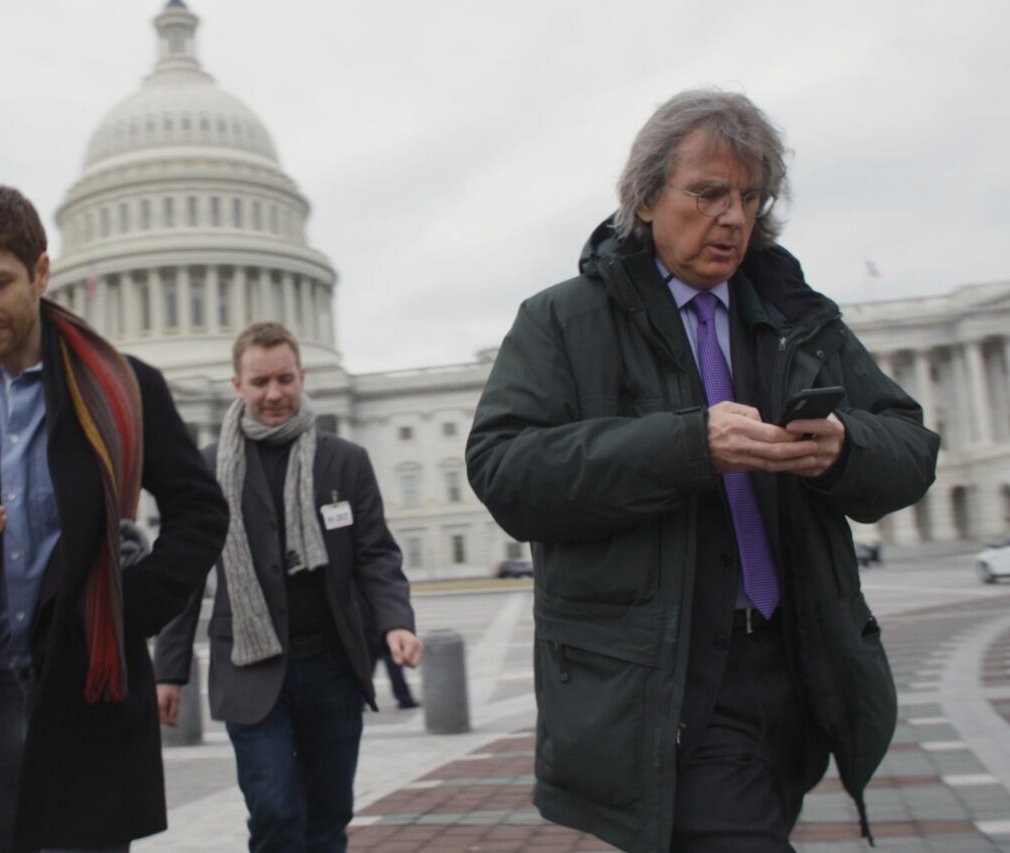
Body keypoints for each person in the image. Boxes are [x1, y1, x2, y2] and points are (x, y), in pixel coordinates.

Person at [465, 89, 938, 852]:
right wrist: (688, 445)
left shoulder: (799, 317)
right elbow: (505, 471)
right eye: (709, 193)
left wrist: (845, 449)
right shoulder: (561, 320)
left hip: (796, 667)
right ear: (646, 196)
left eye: (750, 198)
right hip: (667, 679)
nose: (732, 218)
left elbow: (912, 448)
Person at [0, 181, 229, 853]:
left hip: (89, 687)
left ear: (40, 271)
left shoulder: (126, 387)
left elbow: (200, 510)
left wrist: (130, 607)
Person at [154, 321, 422, 852]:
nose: (273, 394)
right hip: (250, 667)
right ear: (237, 386)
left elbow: (375, 553)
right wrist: (168, 670)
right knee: (275, 810)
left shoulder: (344, 460)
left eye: (284, 379)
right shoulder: (205, 469)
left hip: (331, 666)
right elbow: (182, 573)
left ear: (301, 377)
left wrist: (396, 621)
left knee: (328, 817)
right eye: (259, 382)